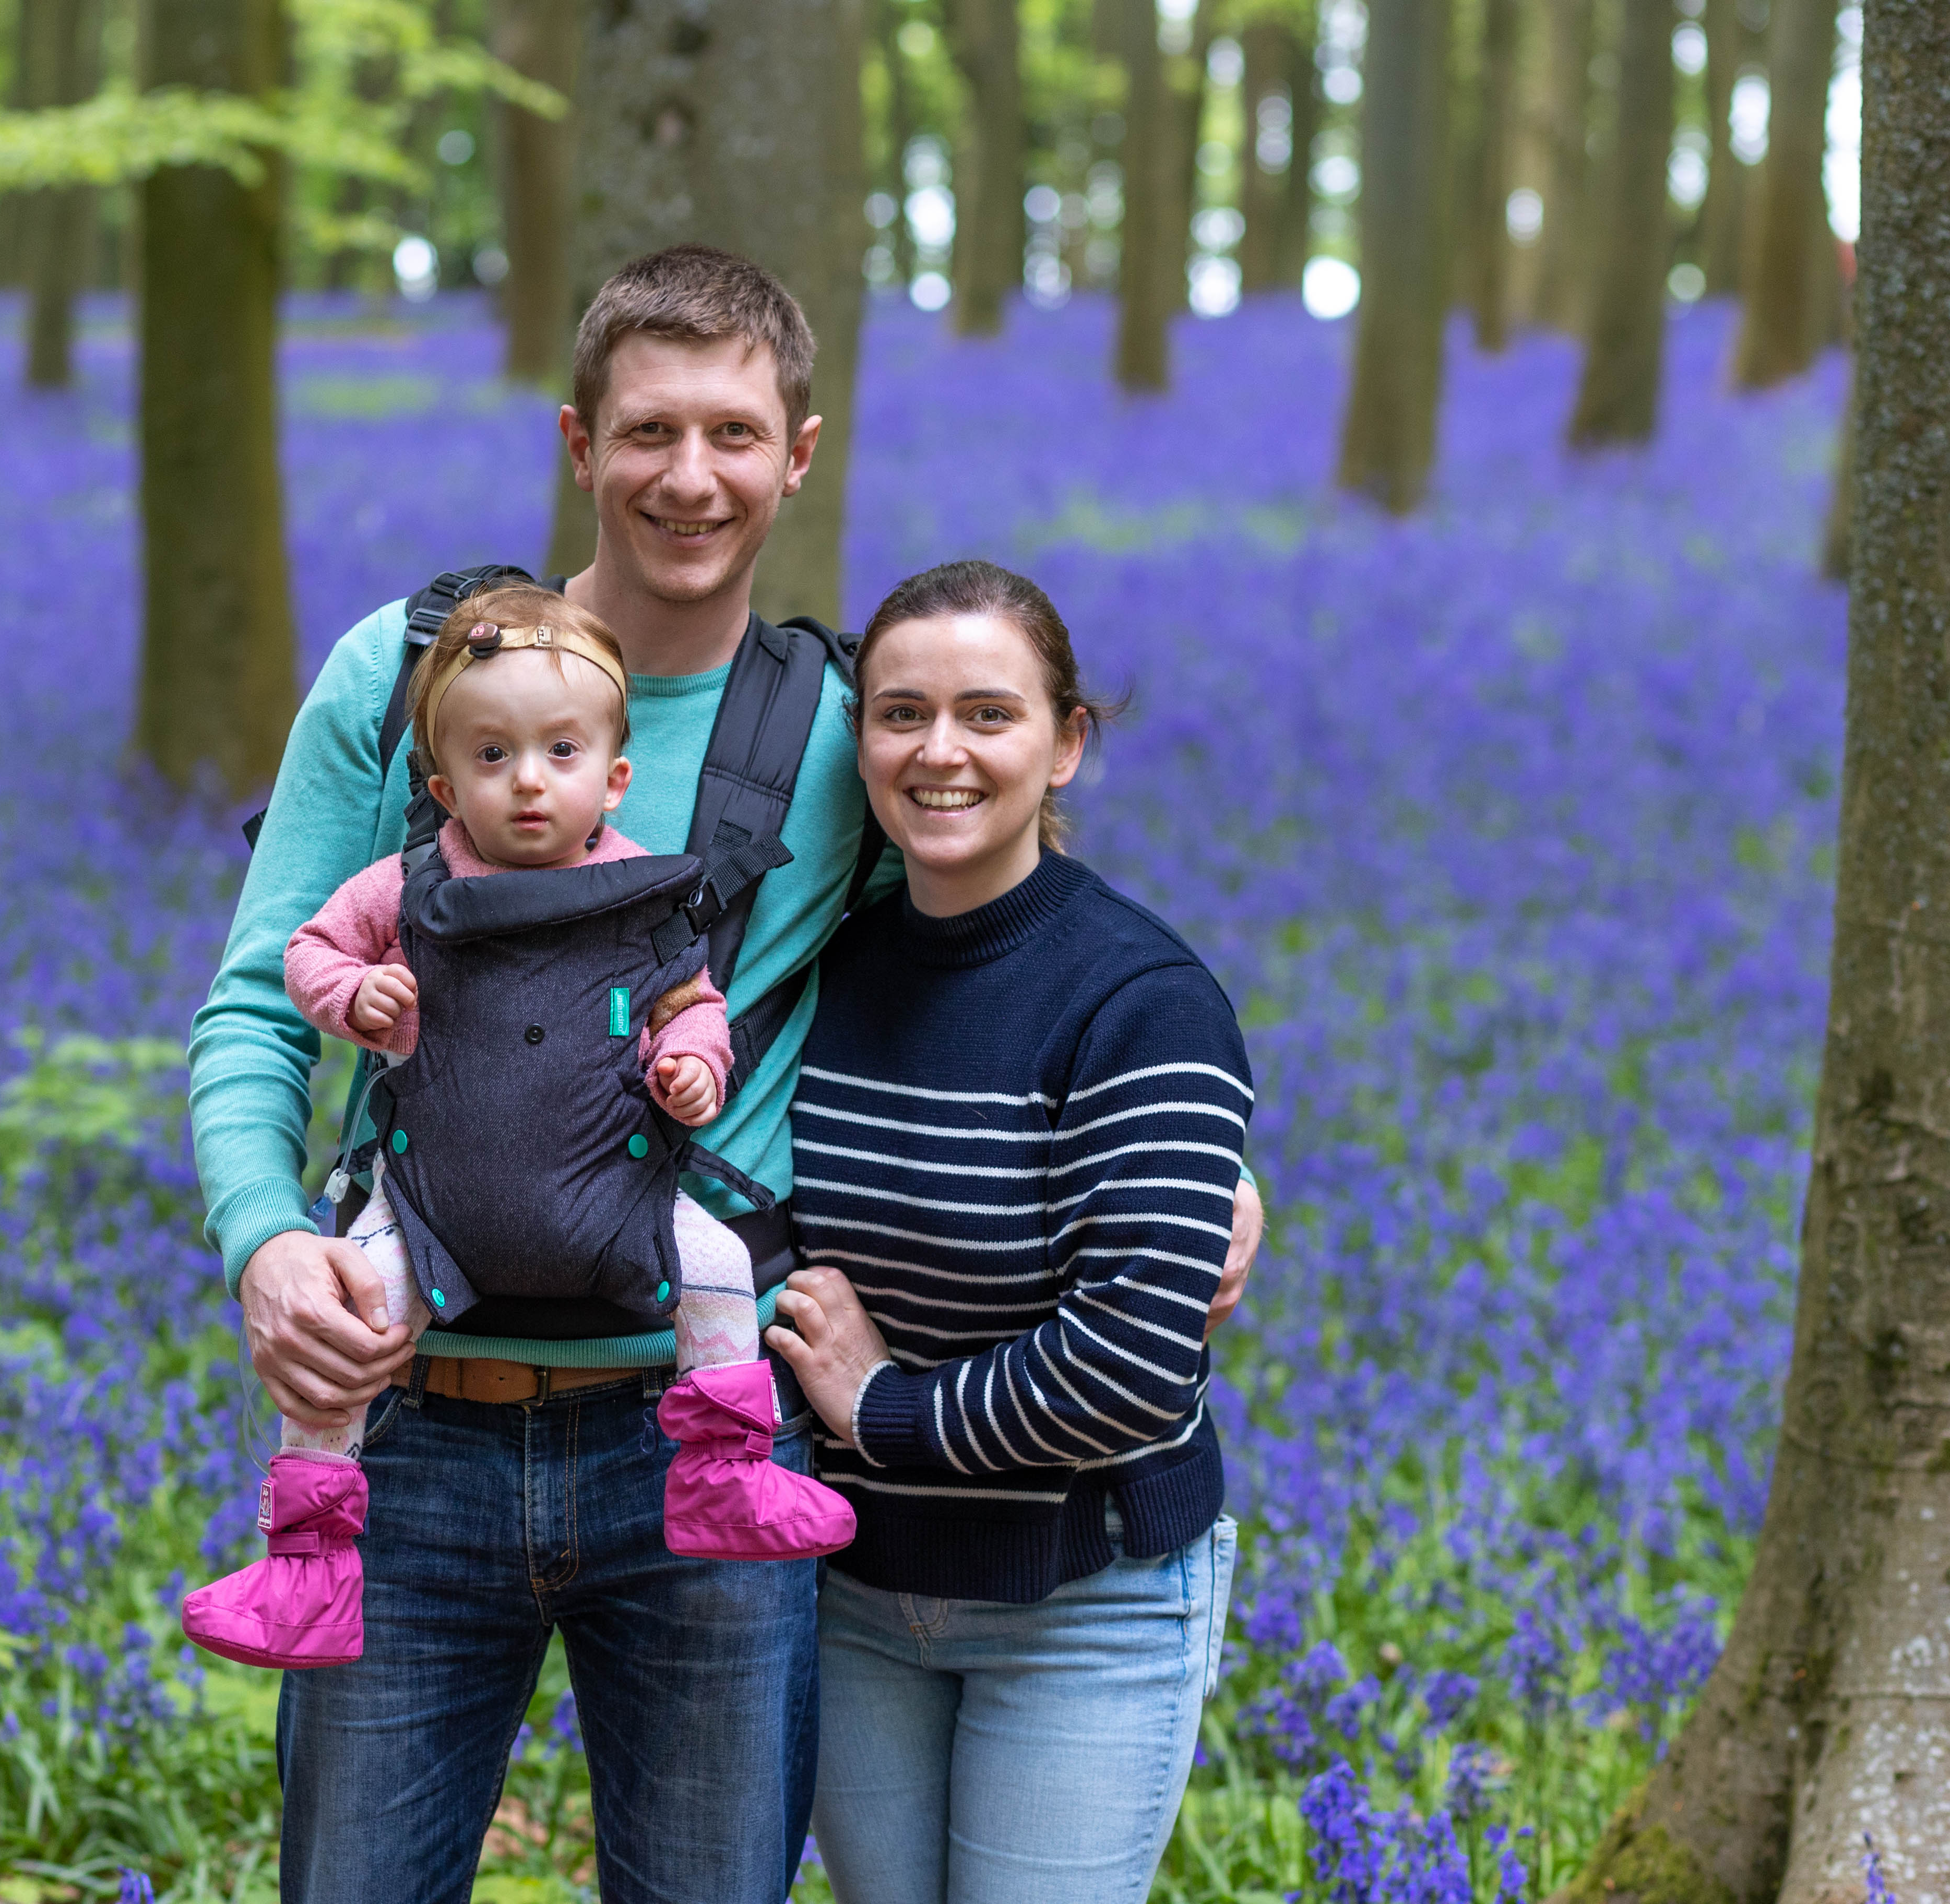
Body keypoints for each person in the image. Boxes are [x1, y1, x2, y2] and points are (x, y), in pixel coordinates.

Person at [189, 245, 1261, 1903]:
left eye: (735, 436)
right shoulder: (402, 683)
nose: (691, 480)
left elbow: (1012, 952)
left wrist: (1202, 1170)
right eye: (648, 433)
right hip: (406, 1422)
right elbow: (261, 1007)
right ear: (577, 443)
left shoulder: (850, 734)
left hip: (708, 1445)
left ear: (802, 455)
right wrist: (265, 1237)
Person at [180, 589, 854, 1672]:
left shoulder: (642, 891)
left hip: (619, 1196)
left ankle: (722, 1470)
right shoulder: (408, 883)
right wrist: (355, 1001)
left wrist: (692, 1067)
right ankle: (305, 1565)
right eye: (493, 757)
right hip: (430, 1211)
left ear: (614, 777)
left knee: (719, 1261)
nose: (529, 781)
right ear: (443, 785)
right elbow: (302, 958)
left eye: (559, 753)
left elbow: (694, 1004)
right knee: (353, 1327)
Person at [768, 560, 1253, 1904]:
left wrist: (880, 1408)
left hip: (1082, 1600)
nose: (941, 752)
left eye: (990, 714)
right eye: (900, 713)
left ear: (1068, 743)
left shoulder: (1141, 1001)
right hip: (858, 1595)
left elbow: (1129, 1371)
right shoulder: (822, 972)